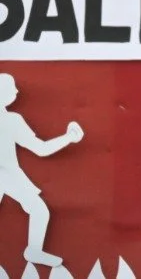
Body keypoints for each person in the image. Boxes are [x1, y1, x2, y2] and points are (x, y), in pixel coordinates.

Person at [0, 73, 83, 268]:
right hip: (7, 174)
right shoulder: (11, 120)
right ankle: (34, 250)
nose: (17, 91)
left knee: (39, 209)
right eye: (12, 88)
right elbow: (41, 149)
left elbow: (40, 149)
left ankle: (34, 251)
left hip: (8, 173)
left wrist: (67, 138)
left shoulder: (12, 120)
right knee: (38, 209)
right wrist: (68, 138)